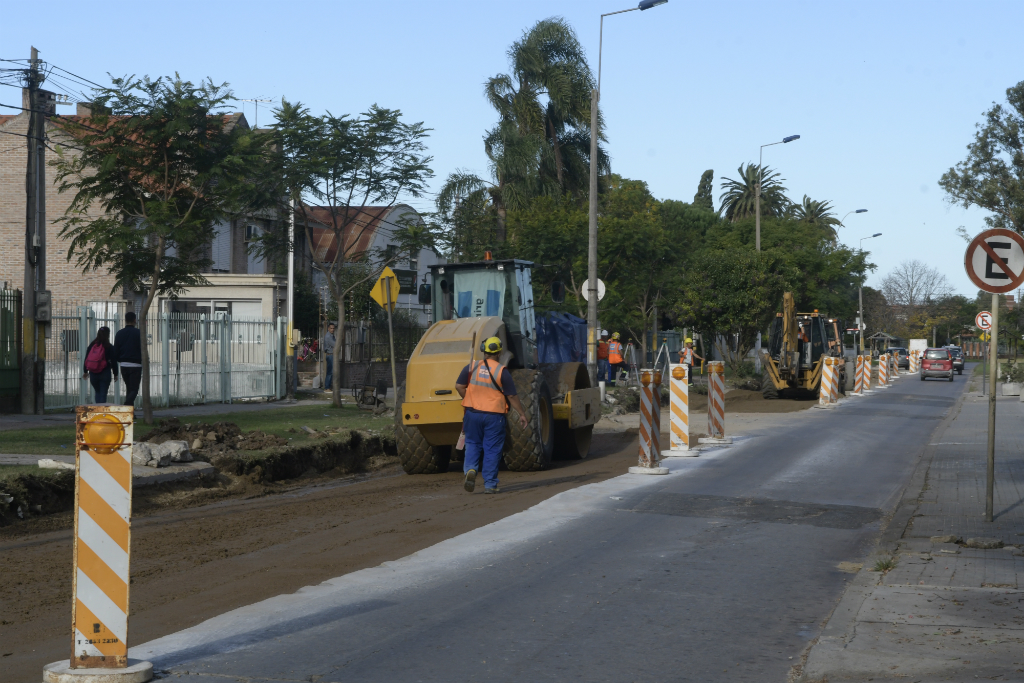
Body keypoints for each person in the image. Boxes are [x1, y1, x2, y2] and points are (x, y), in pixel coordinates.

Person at [455, 336, 529, 495]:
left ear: (484, 351)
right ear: (499, 352)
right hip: (494, 416)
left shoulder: (472, 367)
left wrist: (468, 398)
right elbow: (511, 396)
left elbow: (459, 386)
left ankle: (470, 470)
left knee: (472, 444)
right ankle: (490, 484)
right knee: (492, 449)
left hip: (472, 414)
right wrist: (522, 414)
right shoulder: (502, 371)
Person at [83, 326, 119, 403]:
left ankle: (97, 411)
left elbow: (87, 358)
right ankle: (101, 412)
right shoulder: (109, 347)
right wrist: (115, 373)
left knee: (97, 392)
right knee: (103, 393)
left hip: (93, 373)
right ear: (108, 335)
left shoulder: (92, 345)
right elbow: (113, 361)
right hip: (105, 373)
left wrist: (85, 371)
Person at [113, 312, 143, 407]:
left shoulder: (119, 333)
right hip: (136, 365)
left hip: (124, 365)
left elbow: (116, 350)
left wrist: (119, 359)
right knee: (134, 389)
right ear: (135, 320)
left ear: (125, 320)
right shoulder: (139, 333)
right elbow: (143, 348)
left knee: (129, 389)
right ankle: (126, 405)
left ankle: (130, 413)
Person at [322, 323, 337, 391]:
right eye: (331, 328)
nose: (332, 330)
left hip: (331, 354)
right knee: (330, 372)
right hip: (330, 355)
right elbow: (335, 344)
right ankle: (327, 387)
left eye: (333, 328)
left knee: (331, 372)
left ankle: (329, 386)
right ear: (328, 328)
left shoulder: (331, 335)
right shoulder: (328, 336)